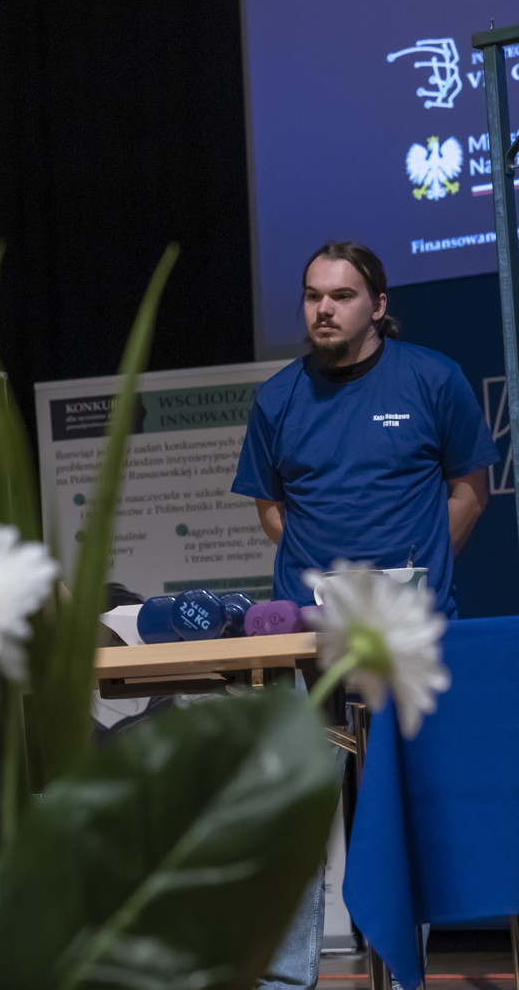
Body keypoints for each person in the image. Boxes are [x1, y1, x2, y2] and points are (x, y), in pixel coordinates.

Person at [232, 240, 498, 988]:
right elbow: (271, 507)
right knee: (292, 812)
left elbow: (470, 491)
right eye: (313, 295)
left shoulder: (432, 378)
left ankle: (405, 971)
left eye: (342, 296)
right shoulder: (278, 398)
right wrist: (329, 588)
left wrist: (410, 581)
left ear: (378, 305)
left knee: (412, 811)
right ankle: (285, 980)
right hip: (309, 640)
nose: (323, 309)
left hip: (410, 638)